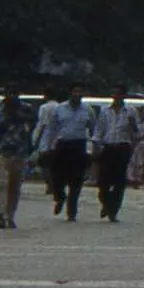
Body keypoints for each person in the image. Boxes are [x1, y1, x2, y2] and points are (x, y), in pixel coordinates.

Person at [91, 86, 140, 223]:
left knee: (119, 181)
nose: (117, 97)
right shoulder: (105, 111)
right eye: (114, 94)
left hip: (122, 147)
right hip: (108, 148)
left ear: (124, 96)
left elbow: (138, 132)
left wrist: (133, 125)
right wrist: (96, 147)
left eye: (120, 94)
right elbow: (98, 131)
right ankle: (107, 203)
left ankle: (113, 209)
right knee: (103, 181)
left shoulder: (130, 111)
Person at [48, 82, 94, 220]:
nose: (77, 94)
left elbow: (93, 129)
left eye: (80, 92)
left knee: (76, 180)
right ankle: (60, 197)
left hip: (79, 146)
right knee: (57, 177)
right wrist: (47, 146)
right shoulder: (59, 109)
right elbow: (51, 129)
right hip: (62, 145)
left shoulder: (88, 110)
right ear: (70, 93)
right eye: (74, 91)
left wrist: (92, 148)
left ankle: (72, 210)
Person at [0, 94, 34, 229]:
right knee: (2, 184)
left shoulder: (26, 115)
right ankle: (0, 214)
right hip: (1, 153)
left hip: (19, 154)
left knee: (14, 187)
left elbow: (30, 132)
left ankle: (10, 215)